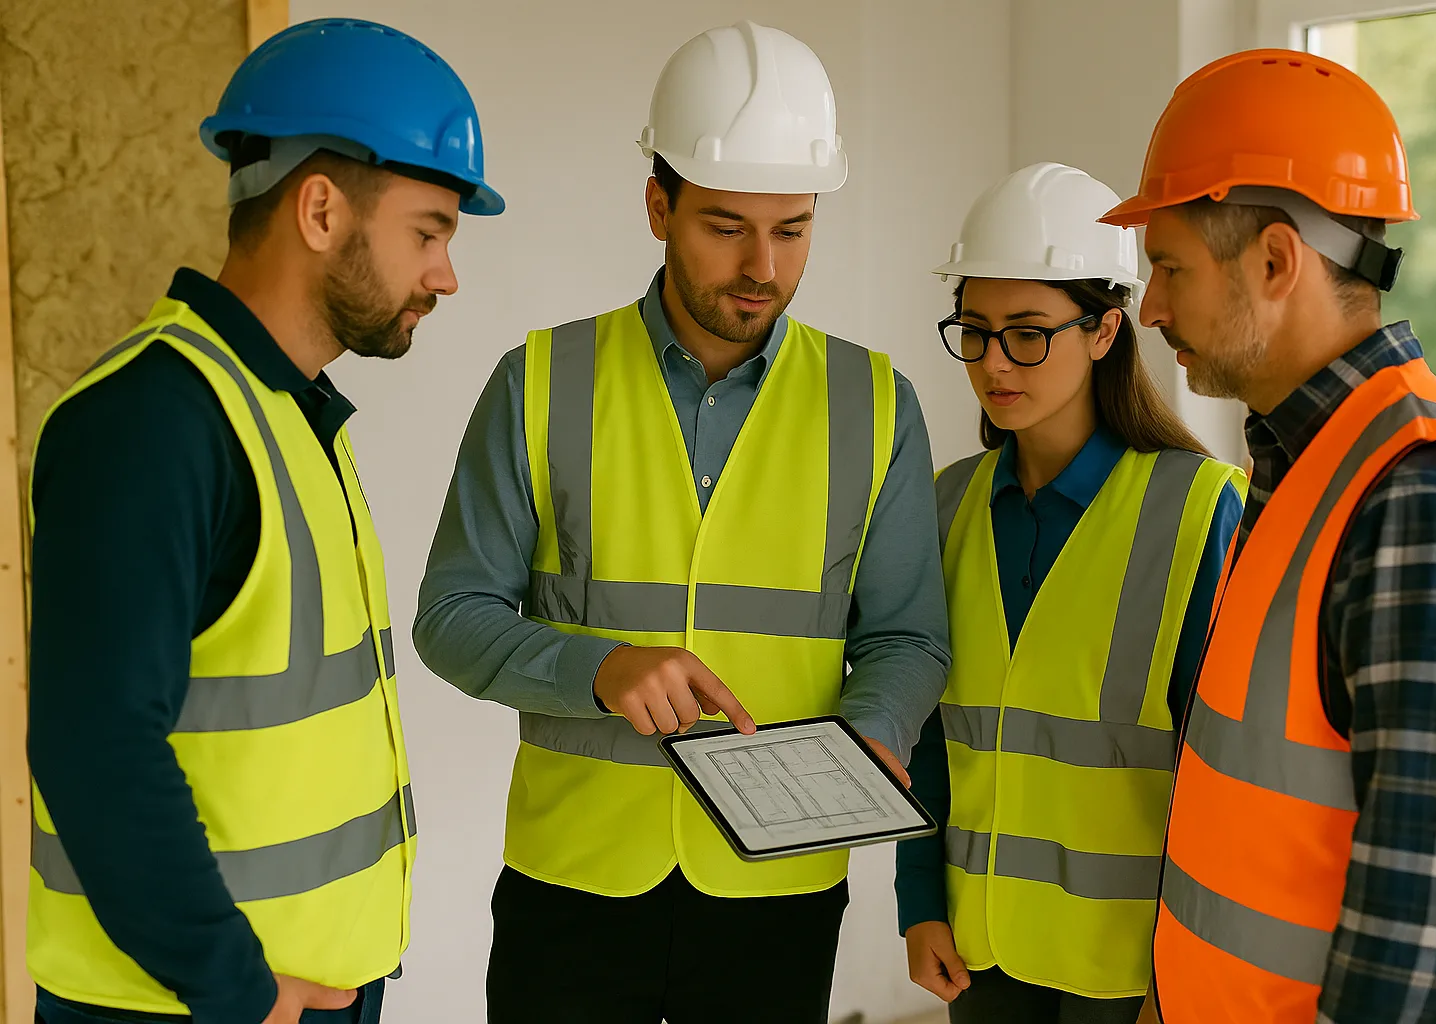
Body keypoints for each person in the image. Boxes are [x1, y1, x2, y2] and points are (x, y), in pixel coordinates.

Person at [413, 20, 949, 1024]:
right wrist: (597, 668)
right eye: (726, 226)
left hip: (777, 887)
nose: (763, 266)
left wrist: (875, 731)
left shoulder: (877, 405)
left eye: (793, 229)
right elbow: (451, 616)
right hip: (573, 878)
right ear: (659, 206)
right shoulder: (540, 381)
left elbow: (908, 636)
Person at [26, 19, 503, 1024]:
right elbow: (96, 748)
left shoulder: (287, 413)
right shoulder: (152, 424)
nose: (445, 275)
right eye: (428, 233)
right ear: (321, 209)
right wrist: (235, 987)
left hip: (293, 994)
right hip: (188, 1006)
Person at [1099, 49, 1436, 1024]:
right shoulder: (1303, 463)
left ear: (1275, 261)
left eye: (1169, 267)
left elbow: (1421, 940)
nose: (1151, 307)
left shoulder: (1422, 503)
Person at [896, 163, 1244, 1024]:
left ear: (1104, 331)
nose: (993, 363)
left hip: (1132, 965)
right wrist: (920, 902)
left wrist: (1195, 967)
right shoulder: (945, 506)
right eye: (974, 332)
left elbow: (1223, 773)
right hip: (982, 952)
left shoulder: (1199, 508)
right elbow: (928, 735)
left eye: (1027, 333)